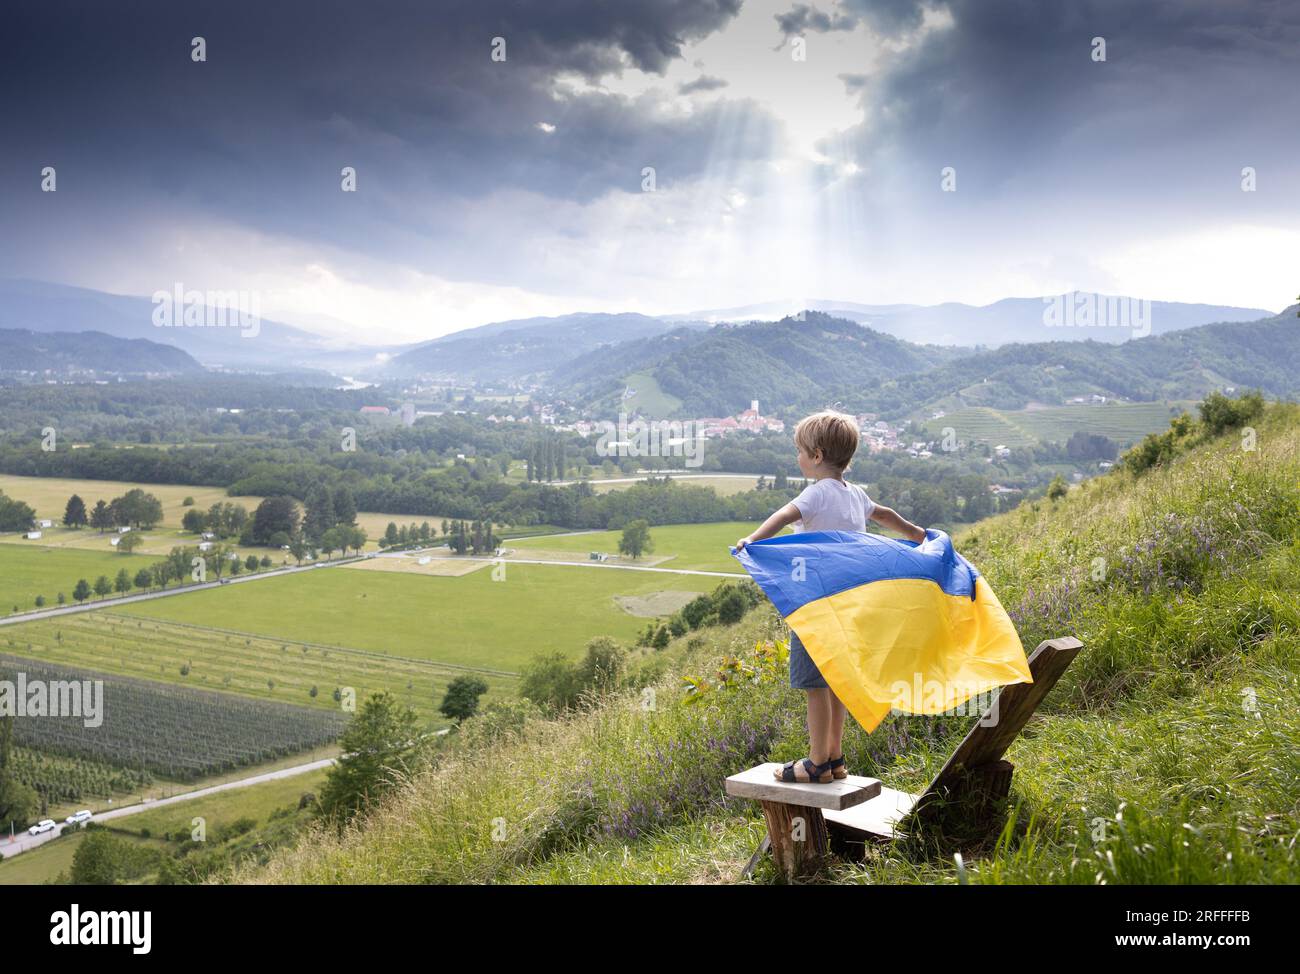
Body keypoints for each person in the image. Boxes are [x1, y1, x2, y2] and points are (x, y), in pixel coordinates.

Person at [735, 409, 926, 783]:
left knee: (813, 685)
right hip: (849, 607)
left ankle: (816, 761)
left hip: (816, 607)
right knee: (837, 680)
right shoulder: (855, 495)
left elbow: (783, 514)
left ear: (818, 456)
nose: (798, 457)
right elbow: (886, 515)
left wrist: (753, 540)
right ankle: (835, 759)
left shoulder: (816, 494)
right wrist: (919, 534)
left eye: (801, 451)